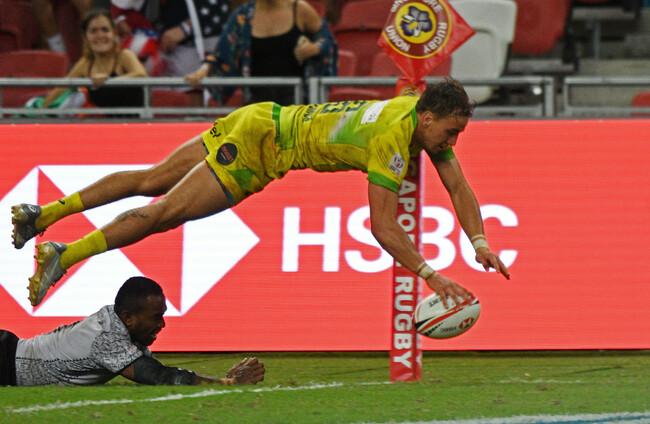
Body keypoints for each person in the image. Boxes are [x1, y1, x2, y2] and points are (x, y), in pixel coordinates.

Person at [12, 78, 510, 308]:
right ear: (428, 118)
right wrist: (431, 275)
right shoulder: (392, 141)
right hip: (262, 150)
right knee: (165, 212)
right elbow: (382, 227)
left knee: (151, 178)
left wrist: (480, 242)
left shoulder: (412, 107)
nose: (452, 142)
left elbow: (458, 185)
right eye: (451, 132)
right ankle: (64, 254)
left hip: (260, 116)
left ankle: (45, 213)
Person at [0, 276, 265, 386]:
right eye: (156, 317)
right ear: (128, 317)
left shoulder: (119, 323)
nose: (162, 324)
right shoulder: (107, 338)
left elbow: (156, 368)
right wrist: (227, 384)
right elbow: (158, 376)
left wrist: (218, 380)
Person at [184, 0, 338, 106]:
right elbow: (220, 53)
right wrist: (203, 71)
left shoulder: (299, 9)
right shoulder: (243, 16)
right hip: (256, 105)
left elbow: (327, 40)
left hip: (296, 103)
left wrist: (315, 48)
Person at [39, 8, 148, 110]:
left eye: (105, 30)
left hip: (135, 122)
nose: (100, 35)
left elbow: (142, 75)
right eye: (93, 31)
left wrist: (108, 81)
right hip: (104, 123)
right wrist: (41, 110)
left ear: (114, 33)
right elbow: (61, 89)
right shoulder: (86, 63)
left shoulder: (124, 55)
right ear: (85, 37)